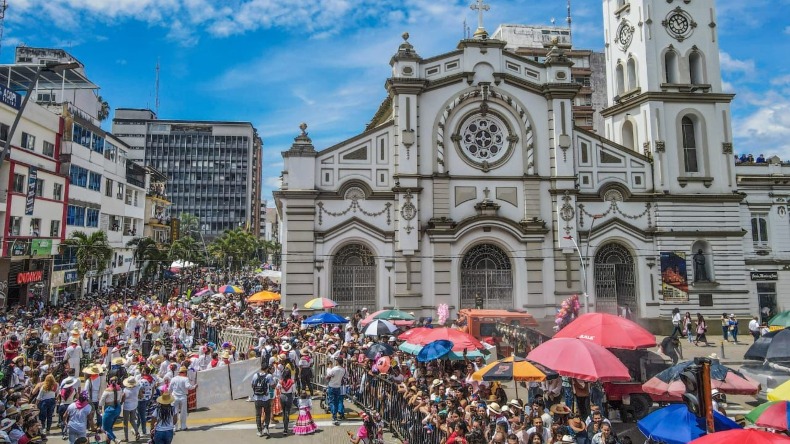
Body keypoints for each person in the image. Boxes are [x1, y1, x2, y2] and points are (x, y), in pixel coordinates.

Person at [168, 366, 195, 432]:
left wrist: (169, 395)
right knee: (183, 412)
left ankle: (175, 427)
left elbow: (170, 389)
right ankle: (183, 426)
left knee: (174, 412)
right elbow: (188, 386)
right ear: (184, 372)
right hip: (183, 396)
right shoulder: (185, 379)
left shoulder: (173, 379)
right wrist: (194, 386)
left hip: (175, 397)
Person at [251, 363, 274, 437]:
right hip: (266, 398)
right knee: (267, 413)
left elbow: (252, 385)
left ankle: (259, 431)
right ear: (267, 369)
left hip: (257, 398)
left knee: (258, 415)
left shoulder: (255, 375)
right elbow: (273, 385)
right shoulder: (269, 376)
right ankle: (266, 428)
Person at [99, 377, 124, 444]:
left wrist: (100, 409)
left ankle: (115, 439)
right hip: (118, 409)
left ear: (109, 382)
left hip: (109, 410)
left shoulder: (107, 390)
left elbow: (101, 401)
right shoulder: (120, 389)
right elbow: (121, 398)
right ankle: (108, 441)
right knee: (109, 427)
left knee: (104, 428)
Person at [326, 357, 346, 425]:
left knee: (332, 402)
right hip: (338, 387)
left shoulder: (334, 369)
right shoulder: (343, 370)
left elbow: (327, 376)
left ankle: (334, 416)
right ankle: (335, 415)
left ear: (337, 362)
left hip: (332, 386)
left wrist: (329, 369)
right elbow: (344, 377)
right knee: (336, 402)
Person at [277, 368, 296, 436]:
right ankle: (286, 428)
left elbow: (278, 387)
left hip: (282, 396)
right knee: (287, 412)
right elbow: (294, 391)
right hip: (289, 397)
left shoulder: (281, 381)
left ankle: (284, 425)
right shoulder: (292, 382)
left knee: (283, 411)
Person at [121, 377, 140, 441]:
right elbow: (141, 395)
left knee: (125, 423)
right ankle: (137, 432)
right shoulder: (137, 388)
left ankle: (126, 438)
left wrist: (120, 403)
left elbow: (123, 399)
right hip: (134, 406)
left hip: (127, 407)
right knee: (132, 420)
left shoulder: (125, 390)